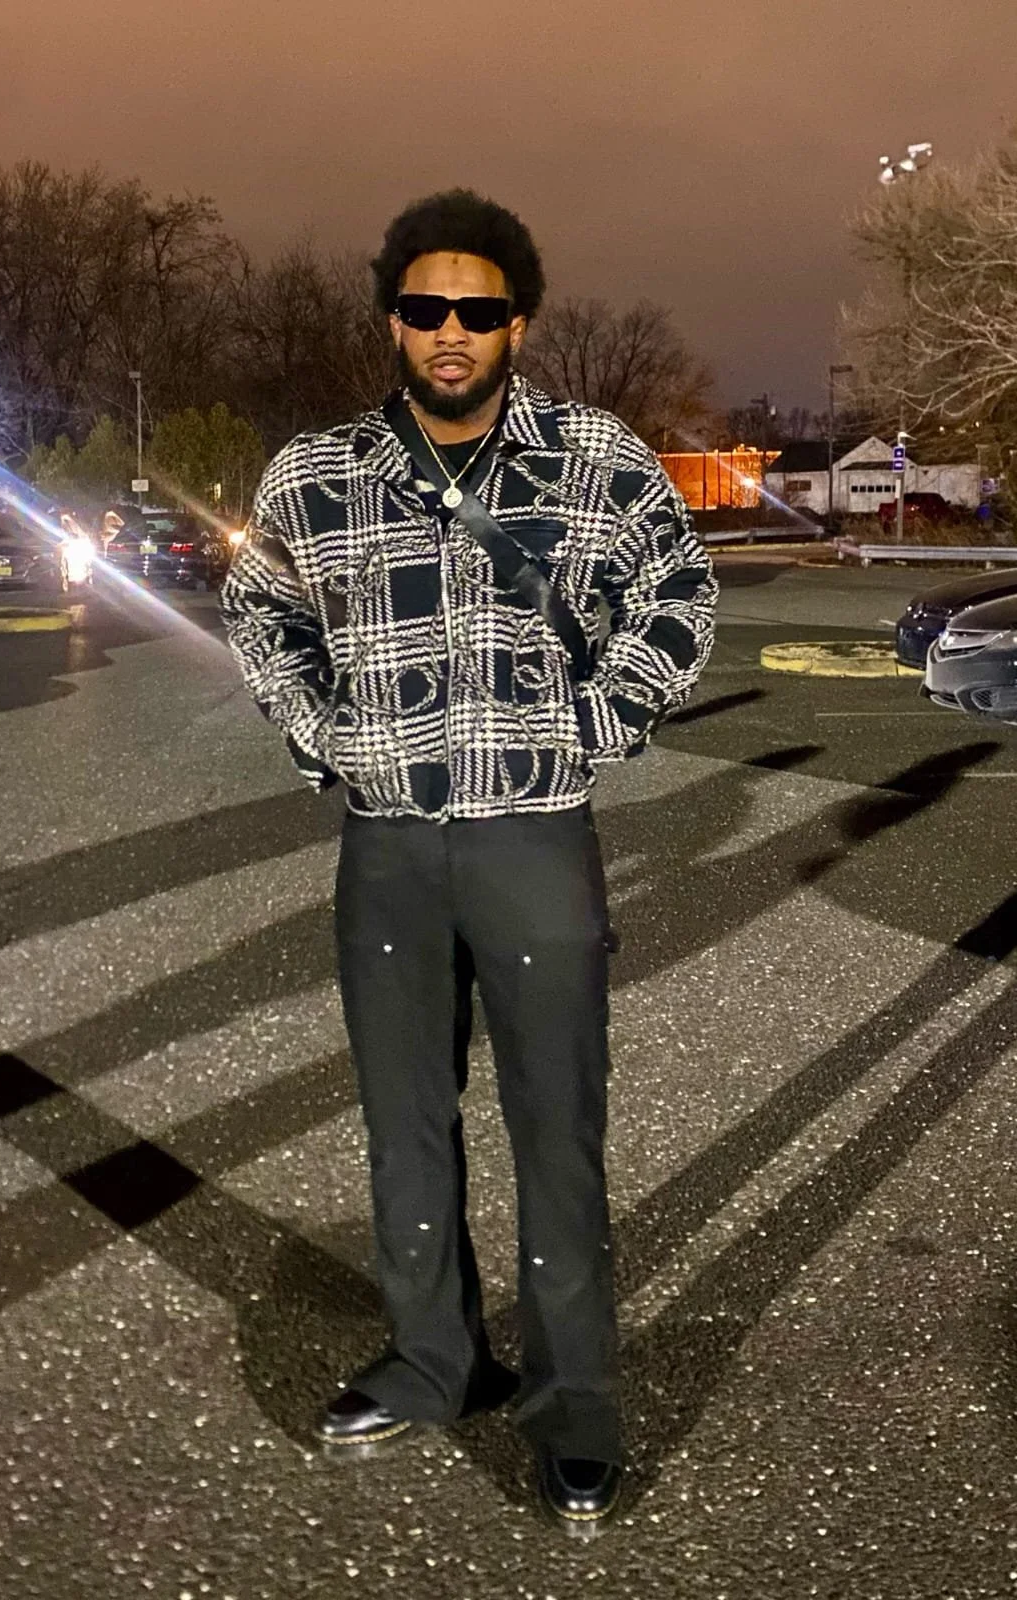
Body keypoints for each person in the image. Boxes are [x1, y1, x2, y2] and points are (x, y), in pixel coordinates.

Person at [220, 189, 716, 1533]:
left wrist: (593, 721)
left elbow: (679, 591)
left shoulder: (590, 460)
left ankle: (573, 1411)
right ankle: (435, 1359)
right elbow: (258, 610)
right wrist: (326, 741)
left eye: (478, 311)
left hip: (532, 842)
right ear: (393, 320)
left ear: (518, 324)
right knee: (404, 1122)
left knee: (556, 1129)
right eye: (427, 309)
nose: (451, 332)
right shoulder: (318, 474)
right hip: (388, 848)